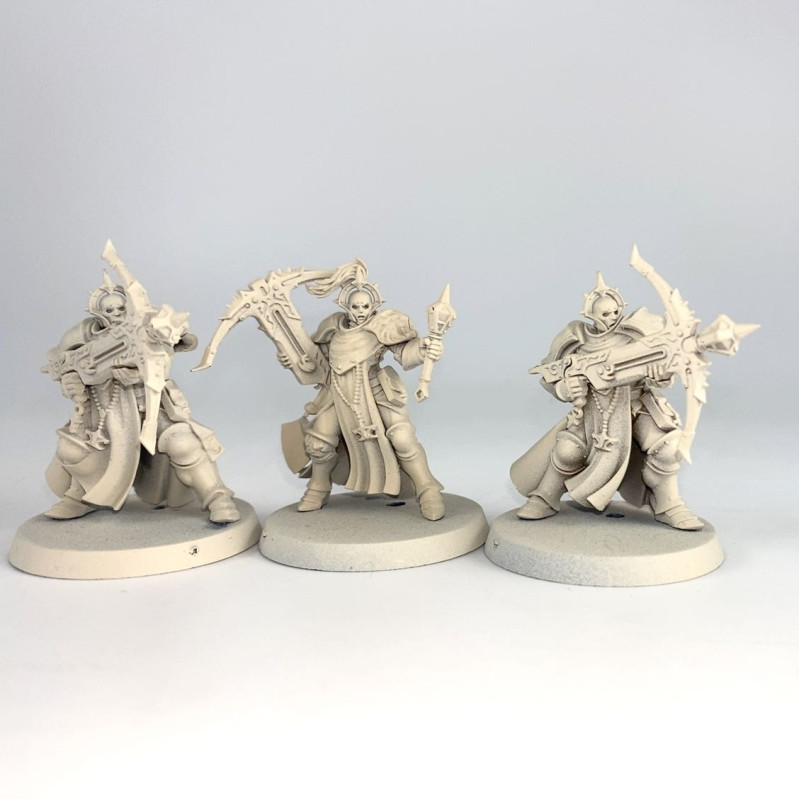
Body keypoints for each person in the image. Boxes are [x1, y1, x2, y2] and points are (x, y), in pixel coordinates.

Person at [43, 268, 239, 524]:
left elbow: (165, 354)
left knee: (184, 443)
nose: (116, 313)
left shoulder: (144, 327)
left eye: (120, 308)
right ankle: (80, 497)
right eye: (109, 310)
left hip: (151, 407)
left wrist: (141, 375)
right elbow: (64, 367)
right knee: (72, 449)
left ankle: (217, 498)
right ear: (98, 312)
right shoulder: (83, 335)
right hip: (104, 413)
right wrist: (72, 384)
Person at [513, 273, 703, 530]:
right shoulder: (576, 340)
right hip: (595, 408)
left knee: (668, 448)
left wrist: (660, 374)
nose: (612, 318)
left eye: (615, 312)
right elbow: (552, 375)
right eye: (605, 314)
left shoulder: (639, 334)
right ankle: (545, 497)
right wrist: (567, 389)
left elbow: (662, 369)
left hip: (637, 405)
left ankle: (669, 505)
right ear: (590, 314)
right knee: (568, 450)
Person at [277, 274, 446, 520]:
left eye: (365, 306)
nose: (361, 312)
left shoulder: (383, 326)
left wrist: (425, 348)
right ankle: (318, 487)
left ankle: (428, 490)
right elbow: (316, 359)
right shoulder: (332, 327)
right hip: (338, 393)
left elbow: (405, 353)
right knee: (318, 443)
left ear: (374, 305)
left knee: (403, 438)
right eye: (355, 307)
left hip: (375, 390)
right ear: (346, 306)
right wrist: (292, 359)